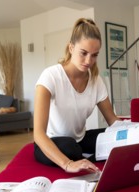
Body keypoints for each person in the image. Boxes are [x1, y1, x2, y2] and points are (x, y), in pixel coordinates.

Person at [33, 18, 120, 173]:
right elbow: (38, 134)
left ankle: (85, 156)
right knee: (70, 148)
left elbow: (112, 121)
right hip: (51, 142)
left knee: (117, 138)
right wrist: (67, 164)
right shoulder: (50, 76)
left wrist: (136, 128)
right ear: (71, 47)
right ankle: (82, 157)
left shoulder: (96, 80)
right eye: (84, 53)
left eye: (94, 55)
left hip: (80, 139)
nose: (88, 61)